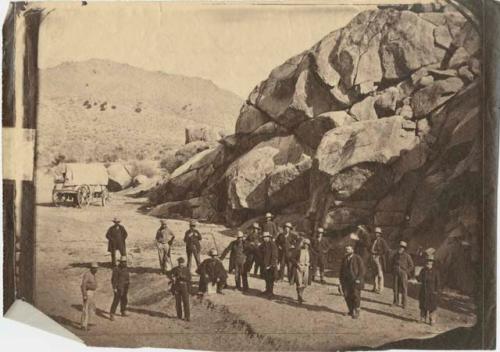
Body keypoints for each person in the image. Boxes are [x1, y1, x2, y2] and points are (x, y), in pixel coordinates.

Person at [339, 245, 365, 319]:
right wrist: (340, 282)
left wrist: (358, 279)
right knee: (347, 295)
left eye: (349, 249)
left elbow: (362, 270)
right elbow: (341, 270)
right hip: (346, 281)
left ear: (352, 250)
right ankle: (350, 311)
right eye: (346, 249)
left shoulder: (357, 258)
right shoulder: (344, 258)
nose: (347, 251)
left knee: (356, 296)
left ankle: (356, 311)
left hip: (355, 281)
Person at [417, 254, 440, 325]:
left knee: (432, 306)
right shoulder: (423, 270)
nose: (428, 262)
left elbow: (438, 282)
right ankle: (423, 317)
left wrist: (436, 291)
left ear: (432, 262)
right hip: (424, 290)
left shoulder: (436, 271)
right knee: (423, 305)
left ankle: (432, 319)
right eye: (427, 261)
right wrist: (417, 275)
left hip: (432, 291)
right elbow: (419, 279)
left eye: (430, 261)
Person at [391, 241, 414, 309]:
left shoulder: (407, 256)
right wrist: (393, 269)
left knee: (404, 288)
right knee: (395, 288)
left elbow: (411, 266)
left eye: (402, 247)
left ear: (404, 248)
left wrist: (406, 272)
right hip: (396, 272)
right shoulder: (395, 255)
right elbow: (392, 262)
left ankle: (404, 304)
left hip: (403, 273)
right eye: (400, 246)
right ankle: (395, 302)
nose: (401, 248)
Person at [290, 238, 312, 304]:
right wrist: (297, 263)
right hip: (298, 268)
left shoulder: (310, 252)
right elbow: (291, 258)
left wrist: (310, 263)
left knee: (305, 283)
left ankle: (301, 295)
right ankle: (299, 297)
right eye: (305, 244)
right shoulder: (298, 251)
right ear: (303, 244)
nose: (306, 246)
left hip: (306, 268)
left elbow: (313, 259)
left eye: (307, 245)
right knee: (299, 283)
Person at [170, 257, 191, 321]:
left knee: (186, 302)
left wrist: (182, 277)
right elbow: (169, 274)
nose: (181, 264)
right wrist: (172, 278)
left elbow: (189, 278)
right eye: (179, 263)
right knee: (178, 302)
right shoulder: (174, 269)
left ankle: (187, 316)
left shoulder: (187, 270)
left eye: (182, 263)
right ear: (178, 263)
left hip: (184, 287)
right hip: (177, 287)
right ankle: (179, 316)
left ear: (183, 263)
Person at [110, 256, 130, 321]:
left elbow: (127, 277)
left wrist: (127, 283)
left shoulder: (126, 268)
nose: (124, 263)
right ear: (120, 262)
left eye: (125, 262)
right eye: (123, 262)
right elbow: (113, 279)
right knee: (116, 300)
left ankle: (123, 311)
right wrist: (114, 288)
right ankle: (112, 314)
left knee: (124, 300)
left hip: (125, 287)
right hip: (118, 287)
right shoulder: (116, 269)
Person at [370, 227, 390, 293]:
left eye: (377, 233)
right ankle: (374, 287)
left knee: (380, 274)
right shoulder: (373, 240)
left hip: (379, 258)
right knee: (374, 273)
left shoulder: (382, 241)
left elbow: (386, 249)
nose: (376, 234)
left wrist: (379, 253)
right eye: (375, 233)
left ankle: (380, 289)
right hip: (373, 258)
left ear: (379, 234)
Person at [259, 232, 278, 297]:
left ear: (269, 237)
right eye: (263, 237)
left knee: (271, 279)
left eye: (265, 237)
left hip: (271, 265)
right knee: (266, 278)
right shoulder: (263, 244)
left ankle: (271, 292)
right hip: (264, 264)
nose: (264, 238)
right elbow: (259, 251)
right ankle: (267, 290)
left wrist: (271, 265)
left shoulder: (272, 244)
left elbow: (274, 255)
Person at [80, 262, 98, 331]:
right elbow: (83, 285)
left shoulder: (93, 274)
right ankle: (83, 325)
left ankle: (88, 322)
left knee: (91, 308)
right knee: (86, 309)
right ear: (91, 268)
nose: (96, 270)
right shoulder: (87, 274)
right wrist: (84, 295)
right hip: (88, 293)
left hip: (92, 293)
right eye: (94, 268)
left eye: (96, 268)